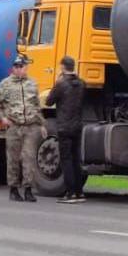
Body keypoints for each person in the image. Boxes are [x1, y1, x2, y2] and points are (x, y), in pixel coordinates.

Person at [0, 54, 43, 202]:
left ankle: (28, 189)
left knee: (29, 158)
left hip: (30, 126)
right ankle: (13, 188)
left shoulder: (32, 84)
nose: (20, 69)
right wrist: (2, 118)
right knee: (13, 158)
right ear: (13, 68)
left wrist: (41, 124)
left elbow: (37, 105)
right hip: (14, 126)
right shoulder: (5, 84)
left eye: (23, 66)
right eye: (17, 67)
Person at [45, 55, 86, 203]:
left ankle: (70, 193)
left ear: (62, 67)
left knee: (66, 160)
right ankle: (80, 192)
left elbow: (48, 101)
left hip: (64, 127)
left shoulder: (61, 85)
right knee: (76, 159)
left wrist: (57, 81)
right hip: (77, 126)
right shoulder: (82, 84)